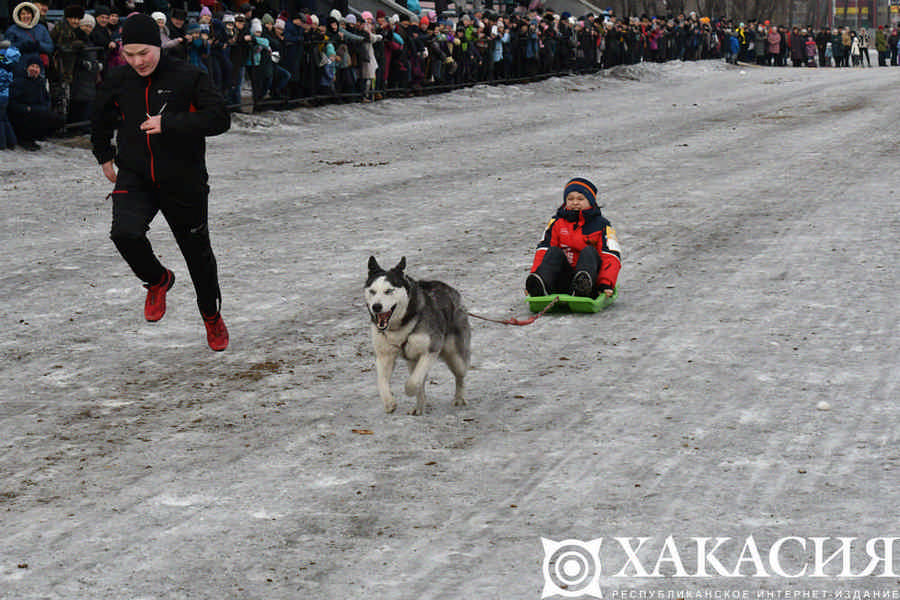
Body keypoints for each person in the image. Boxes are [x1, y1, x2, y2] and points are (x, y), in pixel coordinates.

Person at [90, 13, 231, 351]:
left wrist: (170, 123)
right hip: (135, 174)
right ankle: (158, 279)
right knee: (124, 233)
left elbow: (219, 118)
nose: (137, 61)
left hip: (183, 178)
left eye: (144, 53)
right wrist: (103, 154)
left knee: (198, 256)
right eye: (130, 54)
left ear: (158, 46)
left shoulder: (188, 75)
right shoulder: (119, 79)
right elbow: (99, 115)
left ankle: (211, 316)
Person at [525, 177, 621, 298]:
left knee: (589, 251)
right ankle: (541, 285)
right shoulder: (556, 223)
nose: (575, 202)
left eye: (580, 199)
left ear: (591, 202)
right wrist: (535, 274)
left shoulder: (602, 225)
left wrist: (605, 283)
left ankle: (583, 286)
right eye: (570, 199)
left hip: (591, 278)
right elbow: (543, 251)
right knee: (553, 251)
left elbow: (611, 256)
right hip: (564, 277)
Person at [9, 54, 65, 149]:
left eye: (37, 67)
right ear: (27, 68)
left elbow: (46, 101)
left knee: (59, 119)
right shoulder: (19, 82)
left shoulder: (40, 83)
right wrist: (26, 108)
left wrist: (43, 109)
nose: (34, 69)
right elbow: (12, 103)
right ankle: (24, 139)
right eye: (32, 66)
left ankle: (38, 136)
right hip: (23, 114)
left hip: (37, 111)